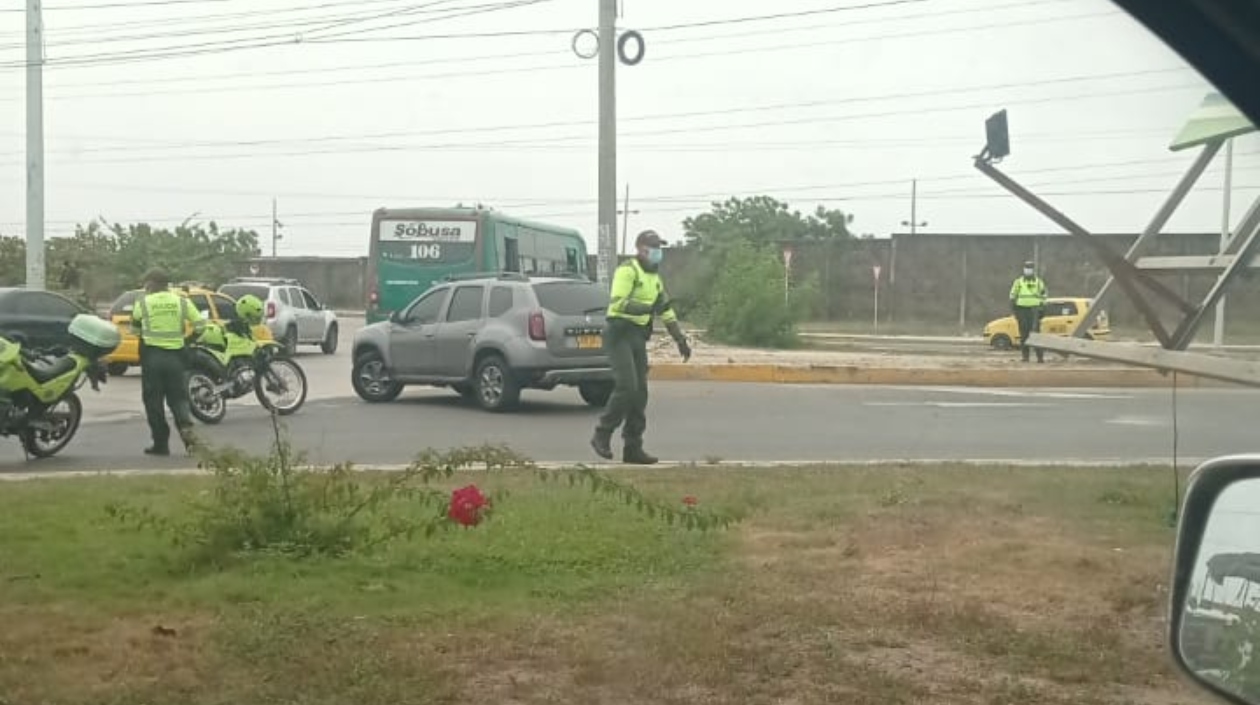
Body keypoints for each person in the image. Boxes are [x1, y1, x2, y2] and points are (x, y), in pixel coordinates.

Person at [591, 230, 692, 465]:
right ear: (640, 249)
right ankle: (602, 434)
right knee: (627, 386)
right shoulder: (627, 271)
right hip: (619, 333)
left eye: (659, 248)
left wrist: (680, 339)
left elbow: (665, 310)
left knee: (640, 394)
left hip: (637, 336)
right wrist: (647, 309)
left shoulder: (654, 278)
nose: (658, 252)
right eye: (653, 247)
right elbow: (619, 303)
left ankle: (633, 447)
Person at [131, 268, 204, 456]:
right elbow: (201, 326)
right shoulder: (182, 301)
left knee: (153, 402)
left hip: (153, 358)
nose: (145, 287)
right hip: (176, 358)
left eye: (146, 283)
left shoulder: (143, 303)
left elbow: (136, 330)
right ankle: (191, 443)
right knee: (178, 400)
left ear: (151, 284)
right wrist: (188, 340)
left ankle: (161, 444)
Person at [1009, 260, 1048, 363]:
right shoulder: (1019, 282)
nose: (1028, 270)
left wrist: (1042, 309)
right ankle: (1025, 357)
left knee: (1036, 334)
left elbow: (1044, 296)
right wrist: (1014, 307)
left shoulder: (1039, 282)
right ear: (1023, 269)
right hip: (1022, 309)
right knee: (1024, 334)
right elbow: (1013, 295)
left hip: (1034, 310)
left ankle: (1040, 357)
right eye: (1026, 268)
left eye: (1030, 268)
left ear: (1033, 270)